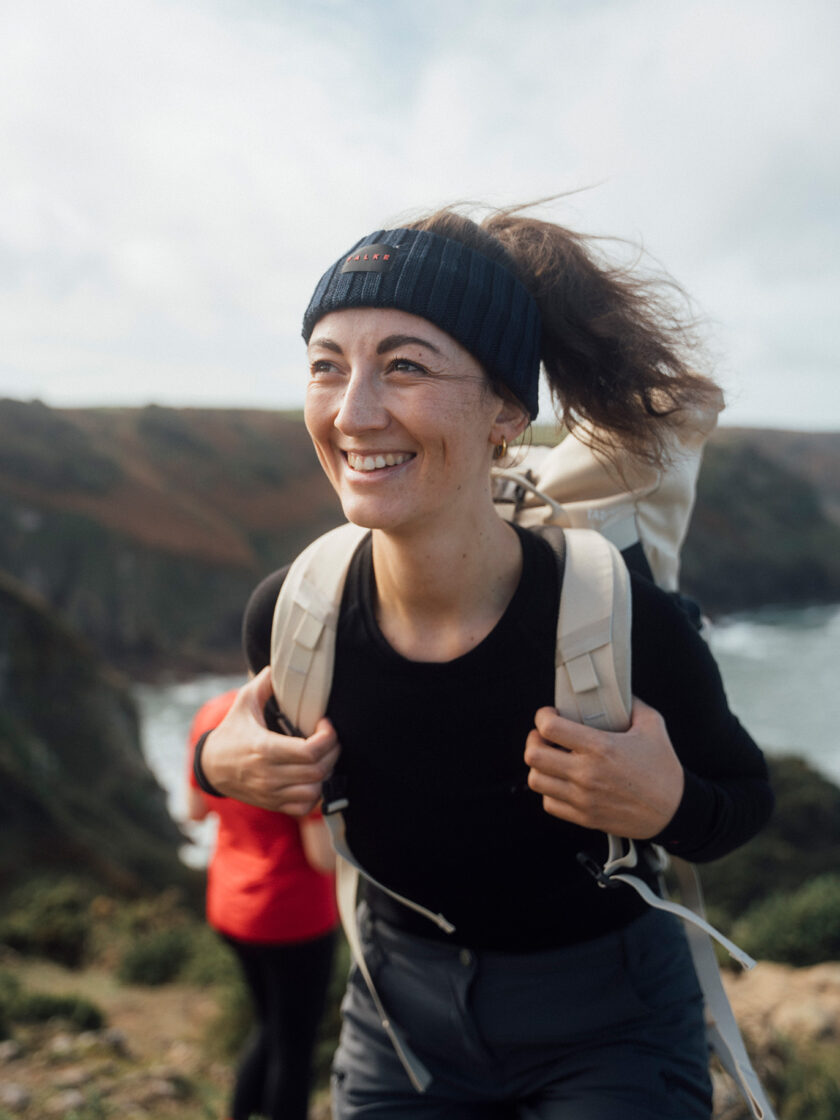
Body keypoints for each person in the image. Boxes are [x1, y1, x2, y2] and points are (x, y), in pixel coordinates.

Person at [194, 204, 774, 1119]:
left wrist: (672, 806)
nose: (354, 412)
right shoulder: (292, 611)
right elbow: (248, 750)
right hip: (397, 1020)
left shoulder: (620, 615)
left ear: (507, 409)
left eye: (405, 367)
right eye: (326, 367)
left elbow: (743, 798)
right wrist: (215, 765)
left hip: (611, 1022)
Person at [187, 688, 338, 1120]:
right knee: (294, 1049)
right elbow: (322, 857)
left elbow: (196, 809)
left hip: (230, 905)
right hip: (292, 917)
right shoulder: (296, 736)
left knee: (270, 1027)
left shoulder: (212, 713)